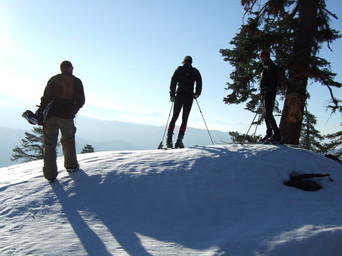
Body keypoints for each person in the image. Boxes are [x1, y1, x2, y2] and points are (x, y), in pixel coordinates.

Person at [38, 61, 85, 182]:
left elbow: (46, 97)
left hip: (51, 116)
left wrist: (42, 110)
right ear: (71, 68)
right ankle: (71, 166)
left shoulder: (54, 79)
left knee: (49, 145)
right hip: (67, 117)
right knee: (68, 141)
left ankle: (50, 175)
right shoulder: (76, 81)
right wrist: (74, 110)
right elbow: (81, 100)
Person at [166, 56, 202, 148]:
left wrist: (172, 95)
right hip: (189, 97)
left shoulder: (179, 70)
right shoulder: (195, 71)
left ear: (184, 62)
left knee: (174, 117)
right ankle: (179, 141)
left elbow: (173, 82)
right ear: (191, 62)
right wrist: (197, 94)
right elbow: (199, 82)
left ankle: (169, 140)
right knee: (184, 119)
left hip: (179, 96)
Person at [259, 50, 281, 143]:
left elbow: (274, 80)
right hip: (265, 93)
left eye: (262, 56)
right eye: (260, 56)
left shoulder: (271, 66)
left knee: (268, 113)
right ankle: (269, 134)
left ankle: (276, 135)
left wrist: (269, 89)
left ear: (266, 56)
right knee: (265, 114)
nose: (260, 58)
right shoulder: (266, 66)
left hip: (269, 93)